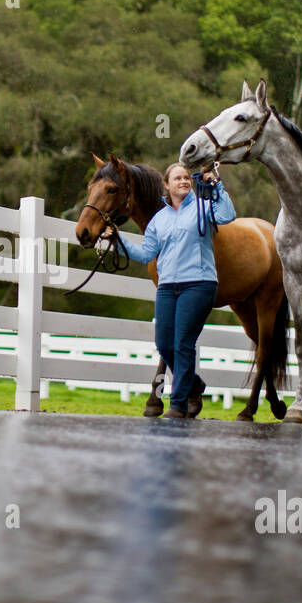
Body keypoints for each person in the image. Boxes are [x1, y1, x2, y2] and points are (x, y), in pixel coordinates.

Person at [112, 163, 235, 419]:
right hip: (167, 287)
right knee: (164, 343)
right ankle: (193, 383)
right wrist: (117, 238)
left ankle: (178, 404)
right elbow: (146, 253)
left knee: (182, 343)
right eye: (177, 178)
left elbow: (227, 216)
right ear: (166, 185)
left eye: (186, 177)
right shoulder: (160, 219)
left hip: (199, 284)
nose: (183, 181)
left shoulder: (203, 208)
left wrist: (216, 185)